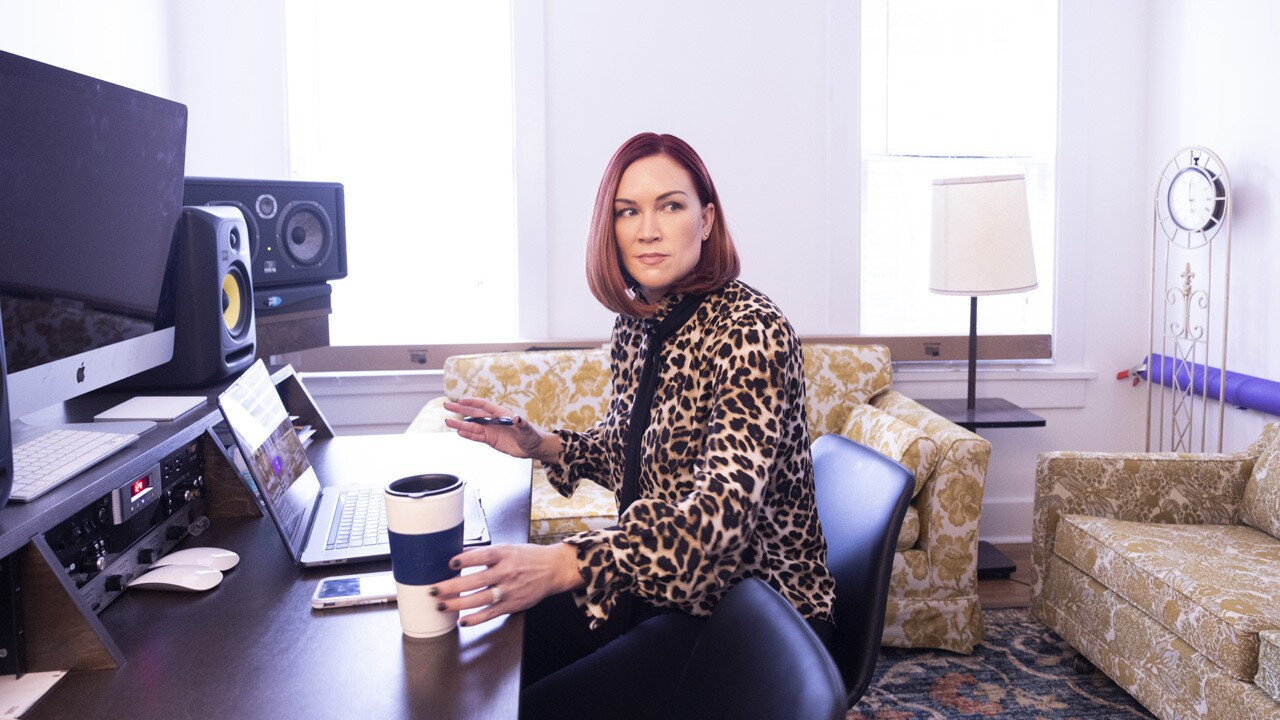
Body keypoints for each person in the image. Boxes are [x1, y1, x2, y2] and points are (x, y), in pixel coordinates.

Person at [434, 132, 836, 719]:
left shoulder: (753, 333)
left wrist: (566, 563)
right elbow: (631, 445)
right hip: (657, 586)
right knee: (490, 658)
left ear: (706, 219)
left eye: (670, 205)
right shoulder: (639, 321)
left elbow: (713, 532)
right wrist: (537, 442)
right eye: (628, 211)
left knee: (531, 706)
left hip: (754, 616)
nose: (647, 228)